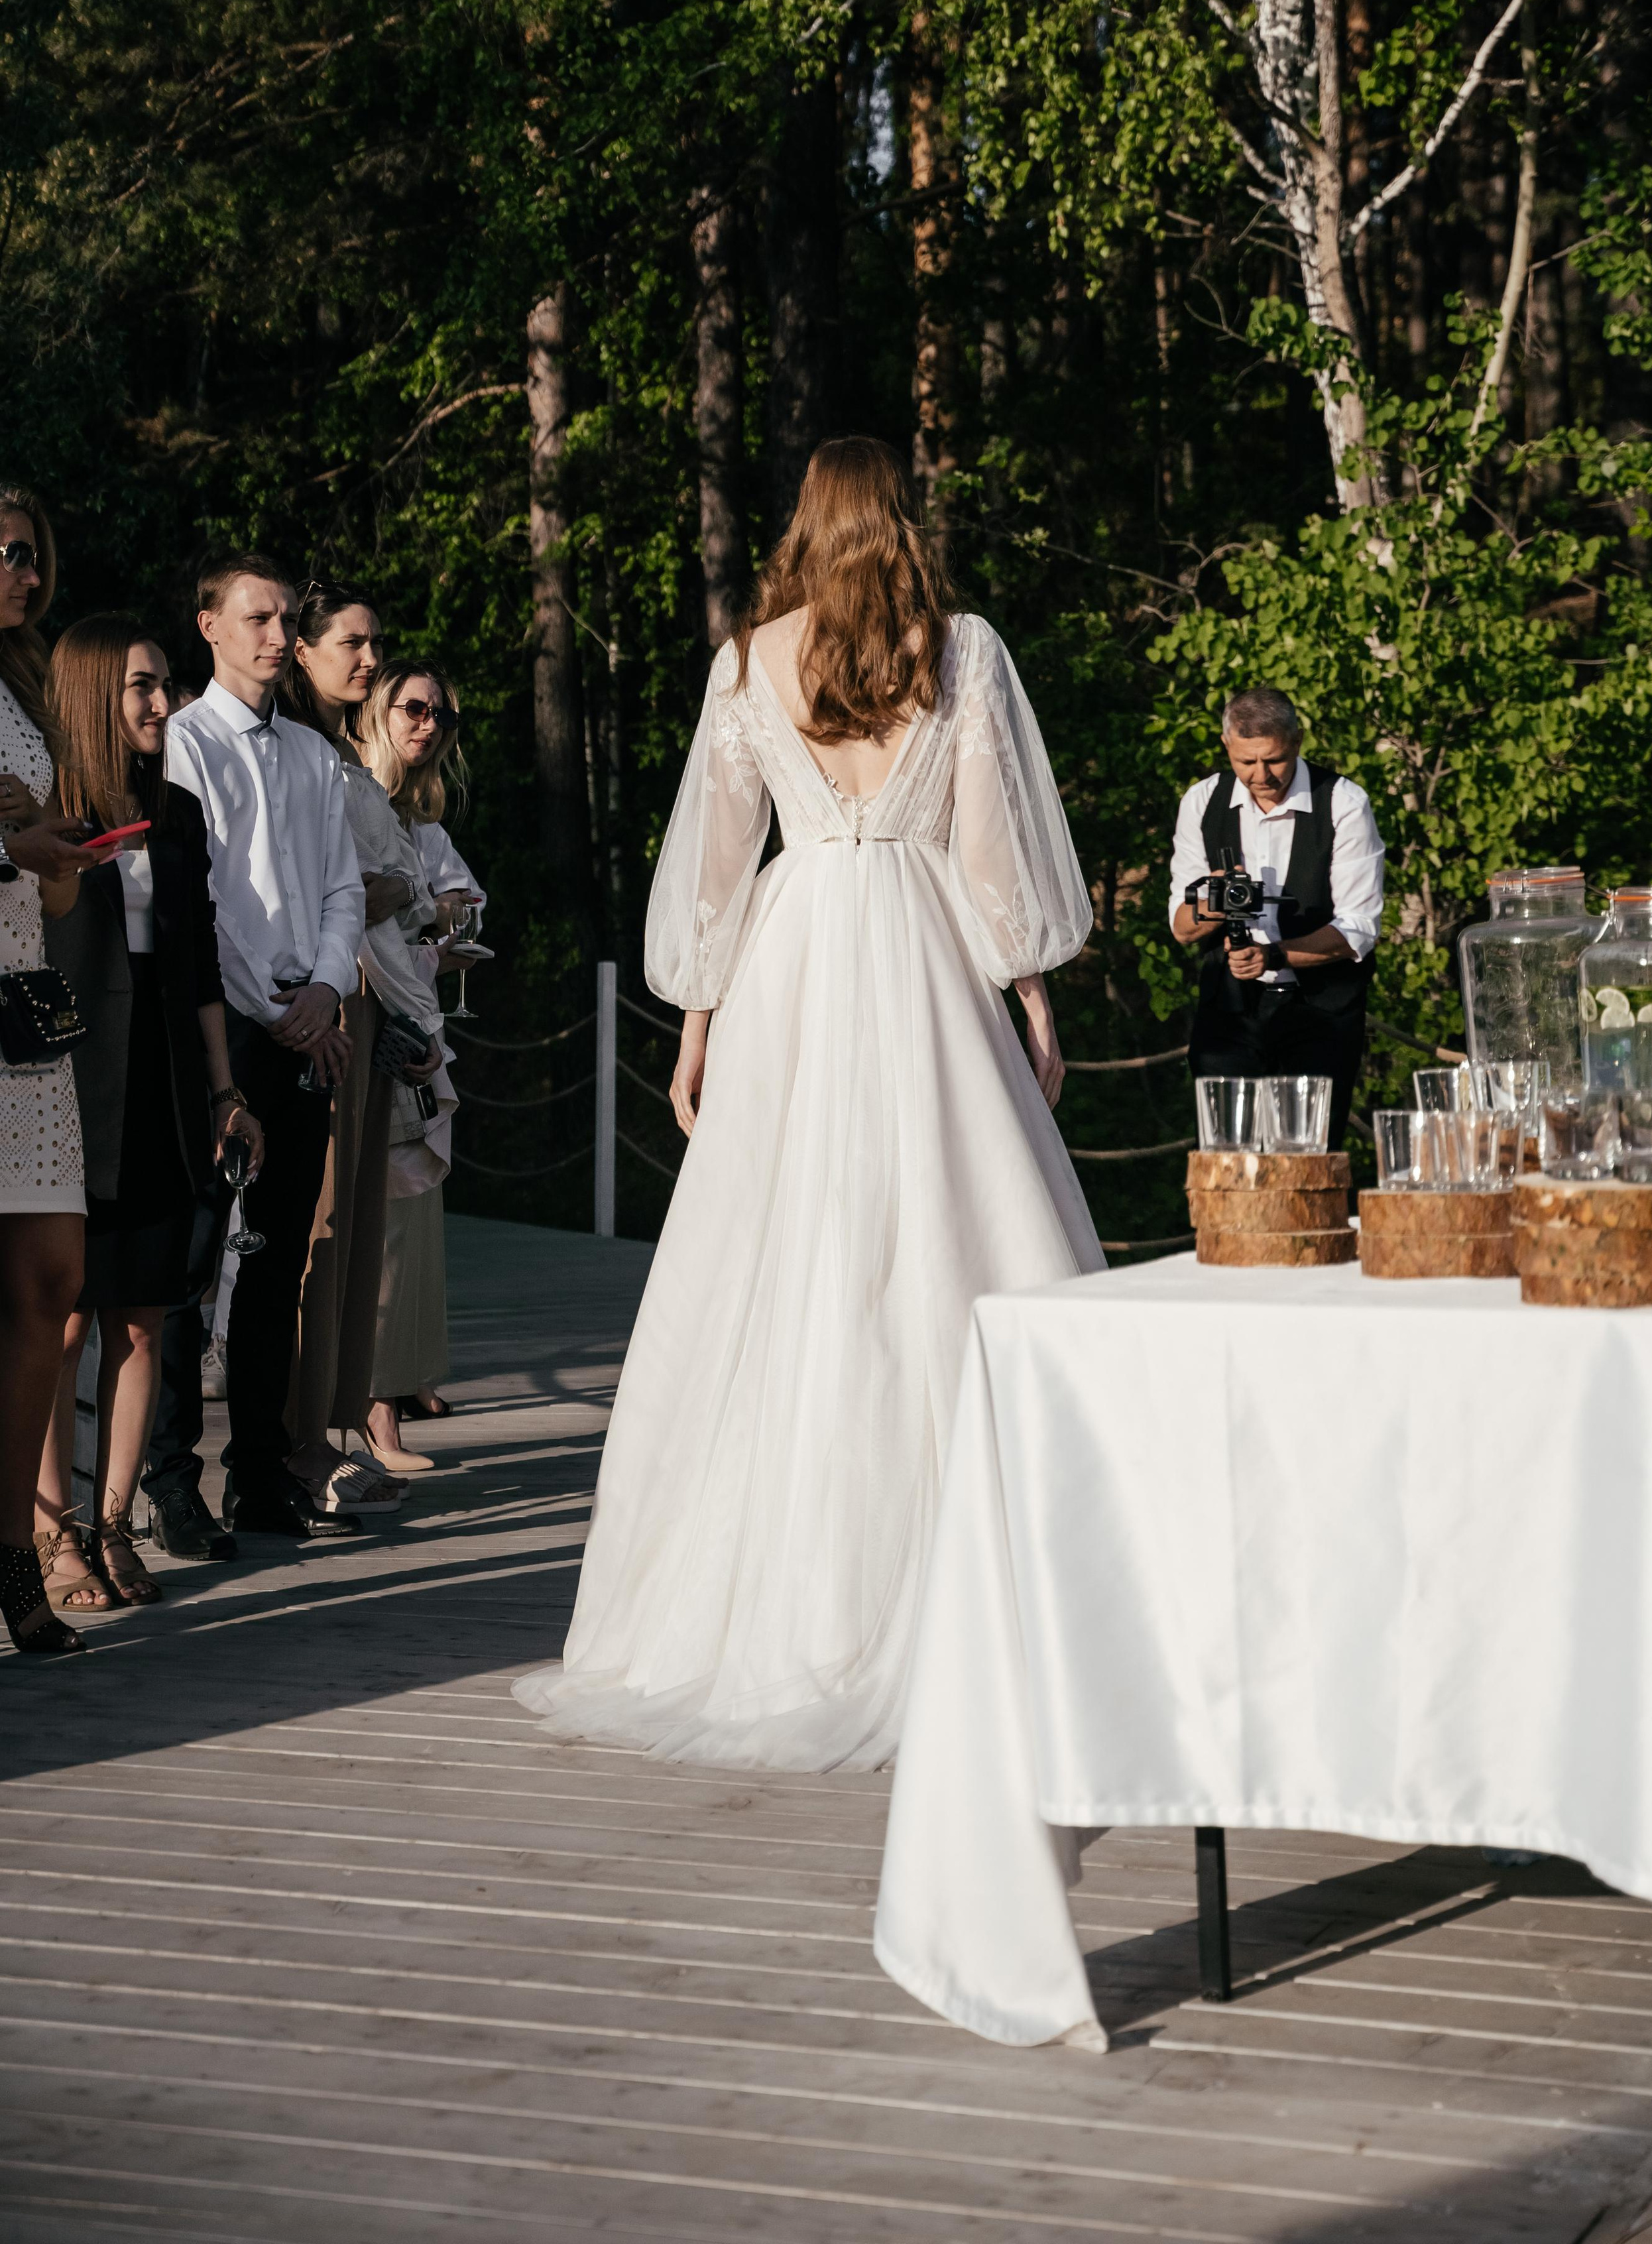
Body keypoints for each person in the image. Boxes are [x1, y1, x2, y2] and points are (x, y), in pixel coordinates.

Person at [512, 436, 1102, 1772]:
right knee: (947, 1255)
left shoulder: (744, 663)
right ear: (898, 517)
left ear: (798, 525)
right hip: (924, 952)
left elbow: (717, 865)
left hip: (790, 972)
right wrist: (1031, 998)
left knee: (777, 1265)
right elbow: (994, 852)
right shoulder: (962, 654)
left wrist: (696, 1022)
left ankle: (771, 1602)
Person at [34, 620, 265, 1609]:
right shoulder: (42, 817)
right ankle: (51, 1541)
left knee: (140, 1321)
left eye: (166, 686)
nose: (161, 706)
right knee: (60, 1320)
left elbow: (202, 966)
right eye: (139, 687)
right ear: (91, 696)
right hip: (64, 1088)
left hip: (166, 1087)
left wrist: (225, 1092)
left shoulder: (174, 814)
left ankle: (115, 1522)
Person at [144, 552, 365, 1544]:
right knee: (194, 1254)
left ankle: (263, 1472)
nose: (280, 638)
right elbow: (205, 904)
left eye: (286, 620)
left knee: (277, 1256)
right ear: (211, 627)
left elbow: (342, 890)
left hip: (301, 1021)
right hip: (221, 1025)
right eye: (260, 619)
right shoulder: (184, 745)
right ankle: (171, 1478)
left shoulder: (317, 759)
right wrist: (263, 1005)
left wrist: (323, 987)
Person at [275, 583, 444, 1514]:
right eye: (352, 642)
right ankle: (297, 1442)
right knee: (321, 1231)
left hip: (370, 999)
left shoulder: (339, 755)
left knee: (355, 1232)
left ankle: (333, 1431)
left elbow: (396, 887)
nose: (370, 660)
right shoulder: (294, 753)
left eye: (375, 642)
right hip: (322, 1000)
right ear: (305, 650)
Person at [0, 483, 115, 1652]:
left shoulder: (24, 690)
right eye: (0, 553)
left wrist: (57, 861)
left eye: (31, 553)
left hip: (25, 1000)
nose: (20, 570)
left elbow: (50, 884)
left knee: (50, 1279)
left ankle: (17, 1550)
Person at [1169, 685, 1385, 1150]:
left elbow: (1358, 930)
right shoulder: (1202, 802)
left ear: (1298, 741)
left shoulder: (1344, 803)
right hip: (1229, 1014)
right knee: (1228, 1159)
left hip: (1320, 1014)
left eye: (1275, 760)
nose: (1262, 775)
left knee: (1306, 1164)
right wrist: (1218, 901)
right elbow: (1182, 928)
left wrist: (1273, 955)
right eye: (1246, 762)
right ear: (1227, 745)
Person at [354, 659, 479, 1435]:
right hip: (370, 1024)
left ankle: (394, 1393)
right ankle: (371, 1409)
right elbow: (366, 915)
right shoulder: (356, 800)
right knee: (382, 1222)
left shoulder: (414, 818)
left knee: (410, 1220)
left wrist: (436, 923)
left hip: (412, 1021)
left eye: (439, 714)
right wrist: (426, 918)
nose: (427, 725)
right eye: (412, 709)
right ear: (377, 712)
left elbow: (450, 909)